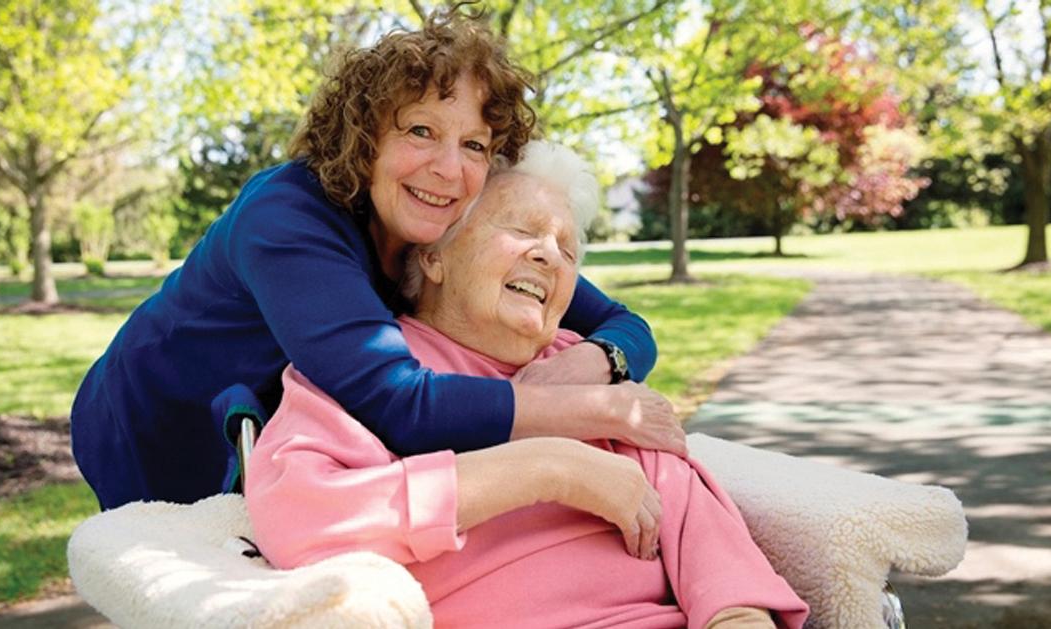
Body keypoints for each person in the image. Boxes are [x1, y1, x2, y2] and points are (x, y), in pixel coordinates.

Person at [70, 10, 684, 511]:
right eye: (420, 131)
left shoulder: (450, 221)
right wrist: (607, 410)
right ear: (364, 137)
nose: (449, 169)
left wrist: (597, 360)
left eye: (473, 145)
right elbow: (399, 403)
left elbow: (626, 324)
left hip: (269, 431)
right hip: (155, 420)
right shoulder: (286, 216)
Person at [244, 142, 809, 629]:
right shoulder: (372, 367)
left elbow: (709, 549)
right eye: (520, 230)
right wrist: (546, 470)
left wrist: (738, 616)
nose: (549, 256)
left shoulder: (590, 378)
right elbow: (299, 516)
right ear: (434, 255)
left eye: (569, 251)